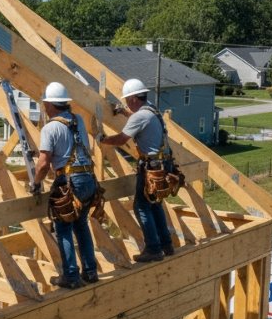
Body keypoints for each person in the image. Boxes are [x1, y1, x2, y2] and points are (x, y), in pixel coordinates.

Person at [30, 81, 99, 289]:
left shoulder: (50, 128)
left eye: (45, 103)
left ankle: (70, 275)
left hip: (69, 183)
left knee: (64, 227)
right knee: (81, 224)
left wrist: (35, 183)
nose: (43, 107)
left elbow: (43, 164)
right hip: (88, 179)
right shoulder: (77, 120)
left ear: (51, 104)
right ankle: (90, 271)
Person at [99, 78, 173, 262]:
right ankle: (166, 244)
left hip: (151, 168)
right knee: (155, 204)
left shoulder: (140, 116)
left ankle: (153, 249)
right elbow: (138, 119)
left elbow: (122, 139)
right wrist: (123, 112)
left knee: (141, 206)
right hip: (163, 164)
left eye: (126, 101)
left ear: (132, 99)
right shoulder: (151, 109)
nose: (126, 103)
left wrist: (103, 139)